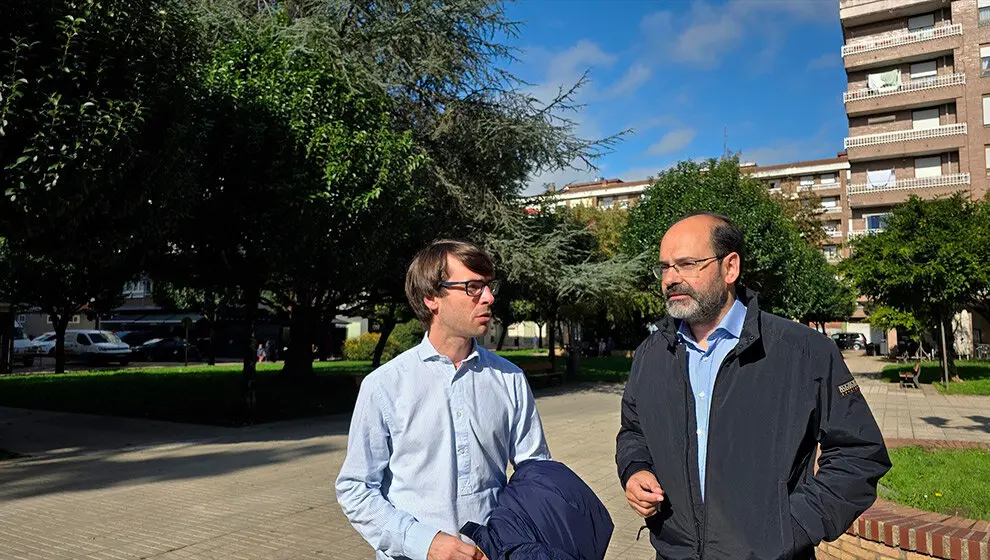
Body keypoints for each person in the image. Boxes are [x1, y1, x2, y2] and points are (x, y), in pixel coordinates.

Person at [615, 213, 890, 560]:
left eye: (686, 264)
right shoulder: (651, 355)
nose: (671, 278)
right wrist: (635, 469)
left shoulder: (803, 352)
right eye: (665, 268)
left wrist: (795, 526)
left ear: (730, 268)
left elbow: (859, 453)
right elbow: (634, 431)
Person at [336, 239, 551, 560]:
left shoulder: (510, 379)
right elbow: (355, 488)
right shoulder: (385, 386)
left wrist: (507, 538)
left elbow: (536, 475)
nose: (489, 298)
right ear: (432, 297)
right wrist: (423, 542)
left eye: (489, 286)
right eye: (473, 287)